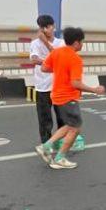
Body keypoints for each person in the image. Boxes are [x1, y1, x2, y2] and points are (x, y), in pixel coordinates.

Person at [35, 27, 105, 170]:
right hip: (68, 97)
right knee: (75, 128)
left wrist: (60, 69)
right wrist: (94, 90)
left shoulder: (56, 52)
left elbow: (44, 68)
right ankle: (60, 158)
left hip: (56, 96)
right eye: (82, 42)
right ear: (76, 43)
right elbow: (75, 83)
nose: (82, 45)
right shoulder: (75, 59)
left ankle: (46, 146)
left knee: (69, 125)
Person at [29, 13, 64, 144]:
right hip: (42, 86)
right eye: (42, 27)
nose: (45, 30)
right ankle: (46, 143)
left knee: (62, 117)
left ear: (53, 27)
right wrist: (48, 62)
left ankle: (61, 141)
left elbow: (59, 58)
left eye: (48, 27)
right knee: (44, 118)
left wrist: (46, 43)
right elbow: (34, 59)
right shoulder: (35, 43)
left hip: (59, 87)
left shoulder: (60, 43)